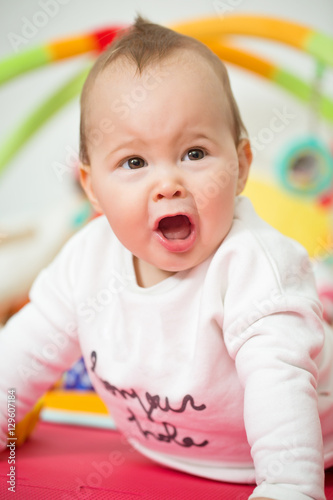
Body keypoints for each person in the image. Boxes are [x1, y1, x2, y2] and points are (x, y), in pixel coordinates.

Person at [1, 16, 333, 500]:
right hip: (158, 453)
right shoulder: (87, 261)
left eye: (195, 153)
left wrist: (287, 486)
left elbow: (277, 381)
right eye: (134, 162)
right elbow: (23, 351)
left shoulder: (252, 266)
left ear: (240, 166)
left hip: (288, 455)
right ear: (93, 188)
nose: (169, 183)